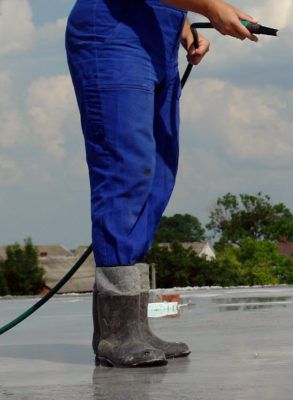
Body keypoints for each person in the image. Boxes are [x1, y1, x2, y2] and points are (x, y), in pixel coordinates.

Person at [65, 0, 257, 367]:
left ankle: (134, 325)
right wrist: (213, 7)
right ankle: (114, 332)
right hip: (113, 34)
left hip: (159, 39)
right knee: (126, 167)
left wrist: (184, 28)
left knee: (157, 171)